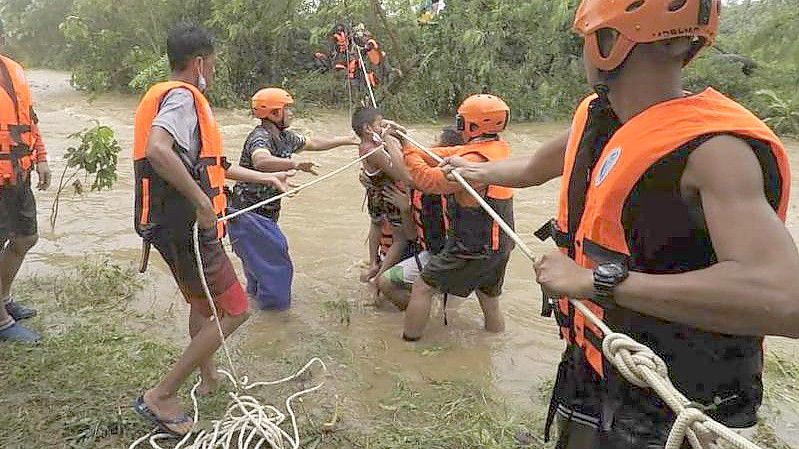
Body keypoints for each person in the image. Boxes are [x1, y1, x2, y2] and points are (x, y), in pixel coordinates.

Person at [441, 1, 798, 447]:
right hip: (598, 371)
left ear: (609, 43)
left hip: (678, 410)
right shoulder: (601, 116)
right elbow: (533, 168)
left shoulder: (715, 151)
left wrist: (596, 283)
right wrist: (472, 171)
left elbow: (786, 301)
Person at [131, 23, 290, 436]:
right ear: (199, 62)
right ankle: (162, 394)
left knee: (203, 306)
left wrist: (266, 178)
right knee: (236, 310)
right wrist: (203, 204)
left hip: (173, 225)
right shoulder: (184, 98)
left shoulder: (171, 97)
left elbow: (213, 167)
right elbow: (157, 150)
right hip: (187, 226)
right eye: (213, 64)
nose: (214, 71)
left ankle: (209, 377)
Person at [228, 87, 358, 310]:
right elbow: (261, 161)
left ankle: (258, 319)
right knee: (277, 270)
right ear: (274, 113)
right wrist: (294, 163)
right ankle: (276, 325)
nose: (292, 113)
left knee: (260, 275)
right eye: (287, 109)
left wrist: (347, 140)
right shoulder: (260, 137)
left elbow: (314, 143)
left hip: (256, 218)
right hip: (249, 217)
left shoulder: (285, 137)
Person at [399, 94, 514, 341]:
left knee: (422, 287)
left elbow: (427, 181)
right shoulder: (497, 149)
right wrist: (406, 142)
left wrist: (407, 154)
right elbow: (437, 153)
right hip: (499, 244)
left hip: (473, 246)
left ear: (473, 126)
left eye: (461, 122)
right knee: (489, 299)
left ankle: (409, 344)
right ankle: (494, 345)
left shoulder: (471, 161)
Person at [0, 18, 51, 343]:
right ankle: (1, 322)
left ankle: (3, 298)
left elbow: (29, 119)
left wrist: (42, 158)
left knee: (25, 238)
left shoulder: (13, 71)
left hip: (19, 174)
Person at [377, 128, 462, 309]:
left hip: (441, 254)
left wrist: (391, 140)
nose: (429, 145)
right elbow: (410, 235)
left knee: (385, 283)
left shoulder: (437, 180)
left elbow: (405, 173)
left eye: (434, 140)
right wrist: (406, 209)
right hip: (430, 249)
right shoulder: (428, 178)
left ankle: (421, 313)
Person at [351, 107, 413, 284]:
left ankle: (373, 263)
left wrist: (394, 131)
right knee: (400, 239)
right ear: (367, 128)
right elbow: (398, 173)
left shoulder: (365, 146)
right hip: (387, 195)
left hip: (374, 195)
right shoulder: (374, 150)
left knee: (376, 224)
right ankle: (379, 278)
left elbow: (401, 135)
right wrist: (389, 140)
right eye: (380, 124)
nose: (383, 127)